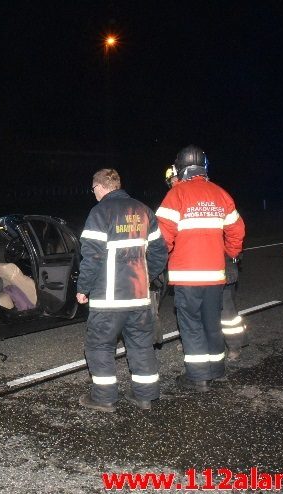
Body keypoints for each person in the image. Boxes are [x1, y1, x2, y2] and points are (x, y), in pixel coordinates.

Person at [76, 168, 168, 411]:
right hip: (139, 296)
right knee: (140, 344)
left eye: (94, 188)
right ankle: (145, 396)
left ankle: (104, 397)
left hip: (108, 300)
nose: (93, 193)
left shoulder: (100, 212)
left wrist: (83, 288)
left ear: (101, 187)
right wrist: (146, 277)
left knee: (99, 345)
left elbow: (92, 256)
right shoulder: (144, 210)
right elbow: (160, 251)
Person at [156, 145, 245, 392]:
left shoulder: (176, 195)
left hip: (187, 277)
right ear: (204, 167)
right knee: (211, 323)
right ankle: (217, 370)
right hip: (216, 275)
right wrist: (231, 252)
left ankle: (197, 377)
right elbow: (237, 230)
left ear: (181, 168)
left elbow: (162, 236)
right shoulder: (220, 194)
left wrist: (158, 261)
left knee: (191, 325)